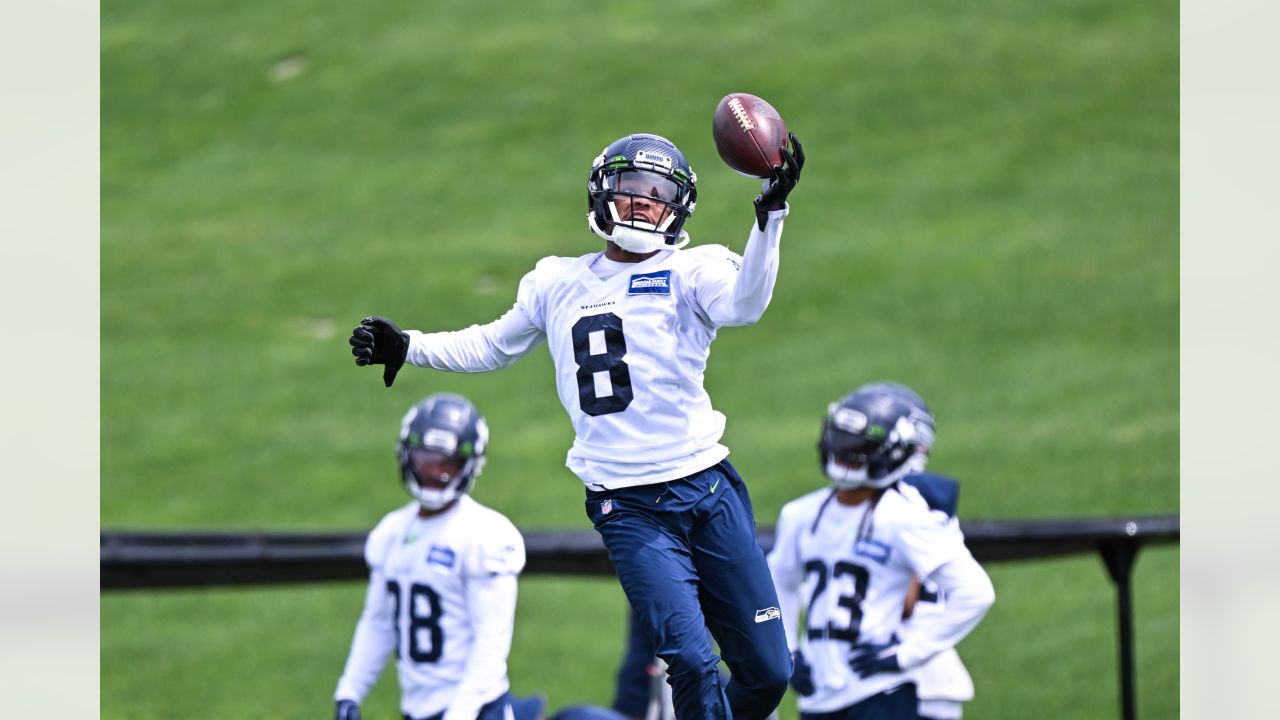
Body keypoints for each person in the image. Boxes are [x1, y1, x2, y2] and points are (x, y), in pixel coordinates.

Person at [347, 131, 805, 719]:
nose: (641, 203)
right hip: (628, 506)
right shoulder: (555, 282)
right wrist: (409, 346)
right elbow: (492, 344)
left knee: (769, 672)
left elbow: (747, 304)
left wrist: (770, 215)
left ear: (679, 206)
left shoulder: (695, 268)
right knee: (689, 660)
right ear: (600, 195)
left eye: (656, 193)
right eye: (630, 189)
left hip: (708, 486)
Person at [766, 382, 995, 719]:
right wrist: (787, 651)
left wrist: (906, 653)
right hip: (822, 691)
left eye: (859, 446)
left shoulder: (908, 514)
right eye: (841, 440)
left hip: (886, 688)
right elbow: (777, 581)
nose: (844, 452)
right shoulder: (800, 515)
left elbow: (973, 592)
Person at [333, 393, 527, 720]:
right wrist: (349, 691)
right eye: (426, 460)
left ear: (470, 464)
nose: (435, 473)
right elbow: (379, 622)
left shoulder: (486, 535)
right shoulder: (391, 531)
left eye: (446, 464)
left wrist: (459, 715)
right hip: (417, 710)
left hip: (476, 710)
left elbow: (490, 645)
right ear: (407, 455)